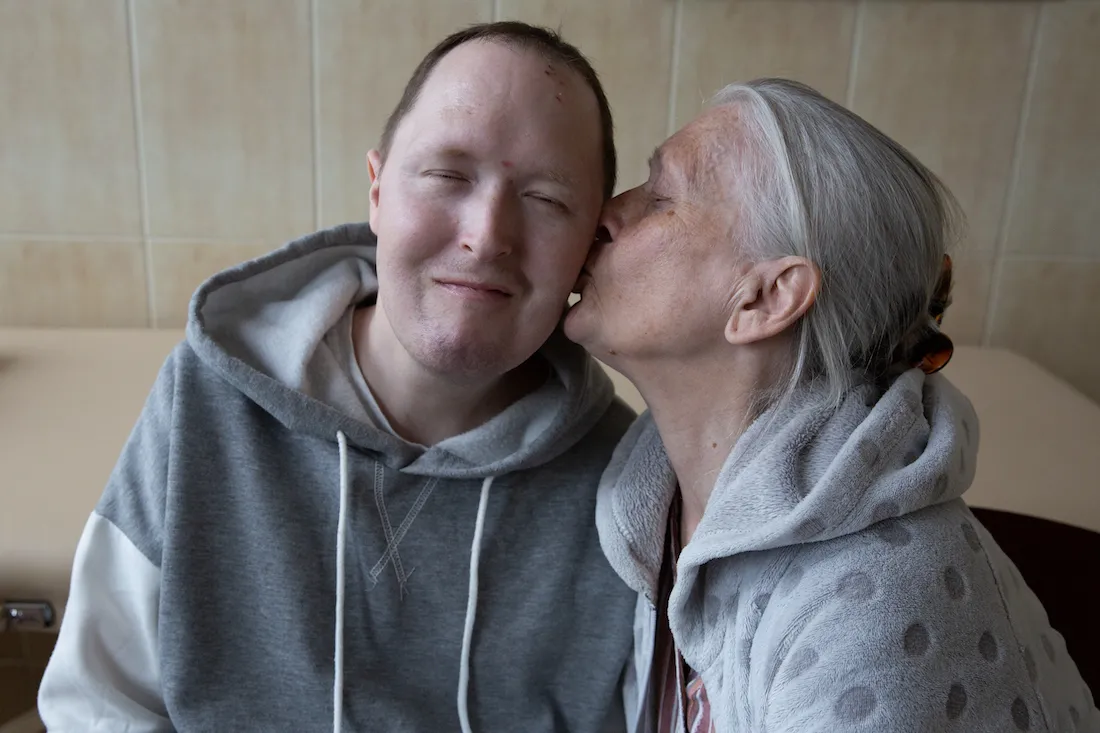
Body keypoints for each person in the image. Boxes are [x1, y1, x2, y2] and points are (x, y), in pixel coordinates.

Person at [39, 22, 639, 732]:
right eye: (447, 174)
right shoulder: (203, 403)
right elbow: (97, 703)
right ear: (378, 191)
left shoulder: (628, 488)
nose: (486, 235)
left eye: (546, 199)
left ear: (592, 246)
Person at [565, 78, 1097, 733]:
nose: (607, 214)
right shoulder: (659, 506)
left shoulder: (875, 614)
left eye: (660, 194)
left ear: (765, 298)